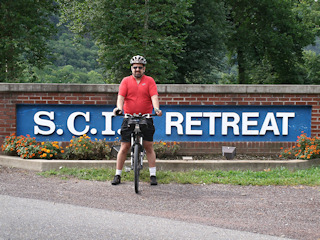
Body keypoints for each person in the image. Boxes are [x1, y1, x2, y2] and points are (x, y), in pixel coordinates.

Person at [111, 55, 162, 186]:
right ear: (131, 68)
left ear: (144, 69)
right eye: (135, 67)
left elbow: (154, 97)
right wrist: (118, 108)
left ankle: (153, 175)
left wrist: (156, 109)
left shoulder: (150, 81)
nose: (137, 69)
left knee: (148, 146)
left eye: (140, 67)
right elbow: (121, 97)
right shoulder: (126, 81)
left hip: (146, 117)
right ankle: (117, 175)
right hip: (129, 117)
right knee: (124, 147)